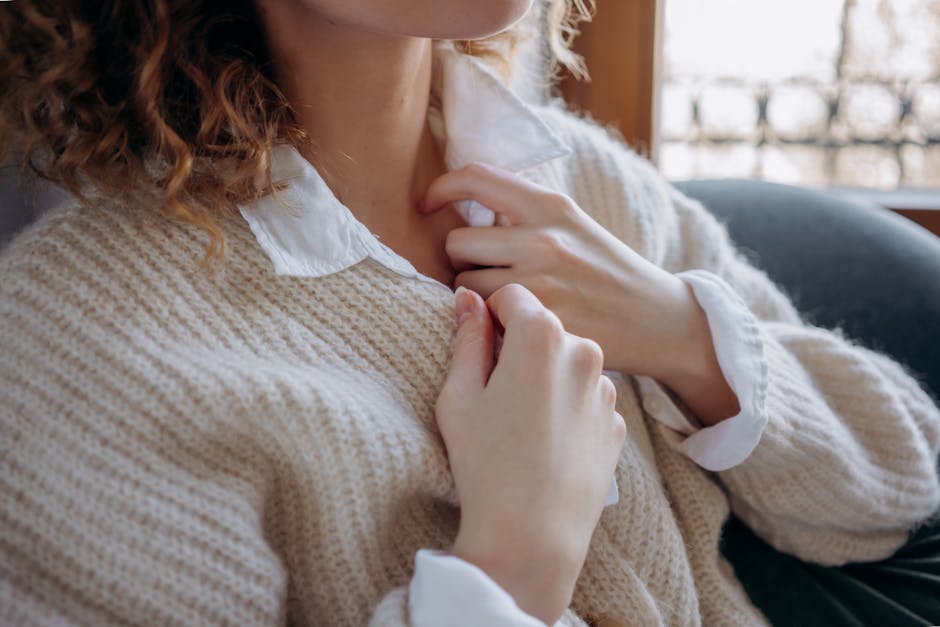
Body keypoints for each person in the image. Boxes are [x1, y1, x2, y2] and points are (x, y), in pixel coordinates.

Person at [1, 1, 938, 625]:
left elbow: (899, 485)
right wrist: (507, 566)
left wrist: (682, 332)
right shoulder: (74, 347)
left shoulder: (580, 179)